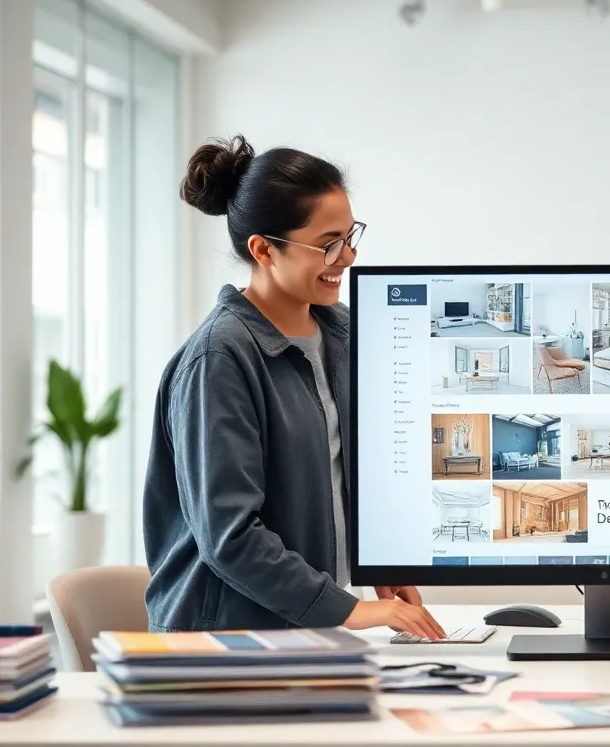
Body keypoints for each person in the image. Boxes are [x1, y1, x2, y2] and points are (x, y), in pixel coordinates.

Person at [141, 135, 445, 640]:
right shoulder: (219, 359)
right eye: (328, 243)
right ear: (263, 249)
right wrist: (348, 610)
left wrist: (379, 562)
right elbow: (230, 537)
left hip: (300, 629)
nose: (347, 257)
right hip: (221, 639)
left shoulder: (342, 334)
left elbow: (337, 473)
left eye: (350, 237)